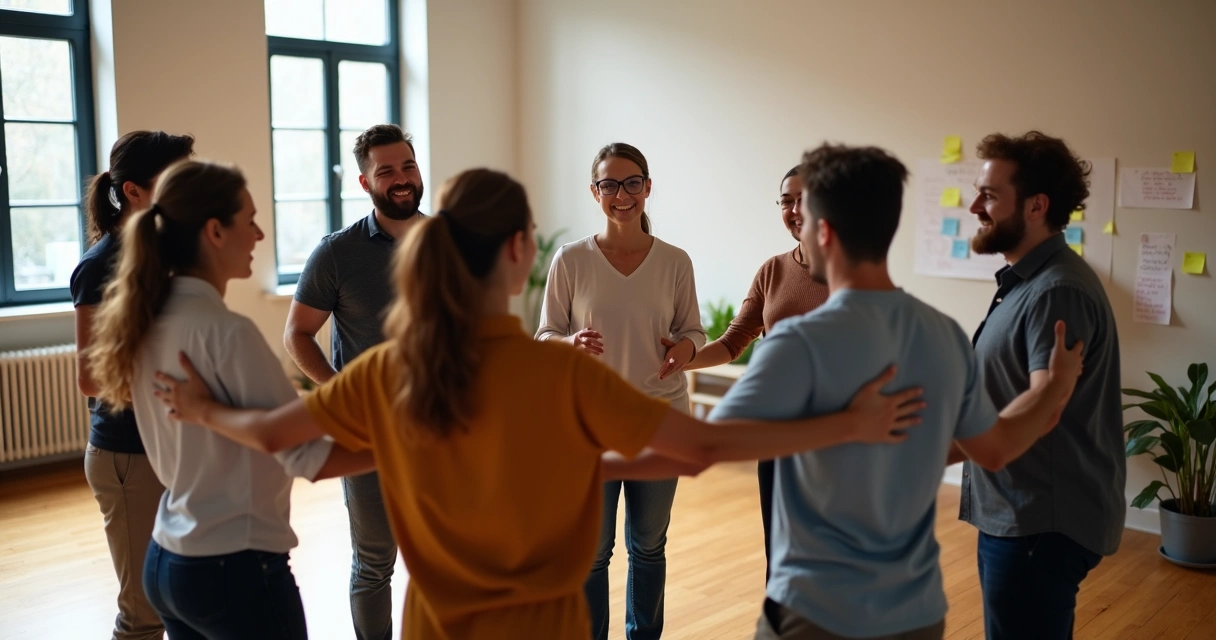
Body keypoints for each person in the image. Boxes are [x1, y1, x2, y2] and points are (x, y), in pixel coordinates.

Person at [149, 167, 928, 639]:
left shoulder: (387, 369)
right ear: (523, 250)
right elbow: (703, 449)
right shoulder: (562, 376)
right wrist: (848, 422)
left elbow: (281, 441)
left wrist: (203, 409)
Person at [703, 143, 1085, 640]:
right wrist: (1054, 390)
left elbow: (703, 446)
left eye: (805, 209)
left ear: (824, 230)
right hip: (916, 616)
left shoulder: (798, 341)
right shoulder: (945, 333)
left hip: (816, 614)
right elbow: (995, 449)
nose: (795, 218)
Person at [85, 160, 373, 639]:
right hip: (234, 569)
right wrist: (404, 447)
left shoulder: (142, 323)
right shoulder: (228, 333)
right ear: (215, 232)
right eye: (250, 220)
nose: (259, 235)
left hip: (167, 559)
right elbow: (305, 456)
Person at [952, 131, 1125, 640]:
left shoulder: (1057, 291)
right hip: (1020, 512)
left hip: (1038, 520)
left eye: (988, 195)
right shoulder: (1028, 283)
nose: (974, 207)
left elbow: (1044, 403)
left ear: (1036, 206)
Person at [535, 142, 705, 640]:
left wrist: (686, 349)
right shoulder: (570, 260)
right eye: (609, 184)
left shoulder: (675, 261)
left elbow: (693, 330)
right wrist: (569, 344)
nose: (622, 194)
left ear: (647, 188)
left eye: (632, 183)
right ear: (595, 192)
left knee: (648, 547)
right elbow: (545, 336)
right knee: (592, 554)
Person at [285, 123, 425, 640]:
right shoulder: (337, 253)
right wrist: (340, 397)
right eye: (386, 171)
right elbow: (297, 334)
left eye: (408, 166)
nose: (402, 178)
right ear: (365, 182)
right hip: (370, 433)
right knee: (374, 562)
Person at [71, 130, 194, 640]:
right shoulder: (100, 266)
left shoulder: (171, 252)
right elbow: (90, 377)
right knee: (144, 616)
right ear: (133, 191)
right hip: (129, 456)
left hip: (177, 445)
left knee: (184, 598)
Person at [682, 165, 832, 580]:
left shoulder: (850, 272)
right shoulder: (773, 271)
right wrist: (682, 359)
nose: (794, 210)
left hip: (833, 438)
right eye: (786, 201)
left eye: (804, 199)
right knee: (779, 553)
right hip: (775, 433)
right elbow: (733, 341)